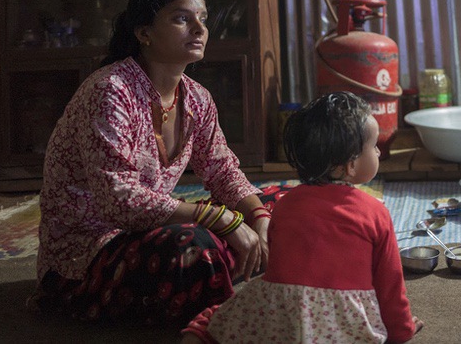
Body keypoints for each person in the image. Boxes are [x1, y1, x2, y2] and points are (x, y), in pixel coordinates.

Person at [31, 0, 289, 326]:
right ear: (144, 33)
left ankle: (231, 266)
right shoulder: (111, 91)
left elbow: (222, 170)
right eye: (182, 19)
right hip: (91, 252)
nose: (199, 29)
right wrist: (218, 219)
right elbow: (118, 201)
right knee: (192, 247)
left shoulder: (197, 97)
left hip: (149, 229)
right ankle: (219, 285)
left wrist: (259, 218)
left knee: (288, 206)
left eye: (203, 18)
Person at [181, 92, 423, 344]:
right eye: (374, 146)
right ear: (349, 165)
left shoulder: (286, 205)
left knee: (215, 319)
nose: (378, 153)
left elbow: (280, 268)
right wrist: (402, 330)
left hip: (282, 318)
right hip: (343, 324)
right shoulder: (376, 212)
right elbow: (390, 287)